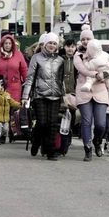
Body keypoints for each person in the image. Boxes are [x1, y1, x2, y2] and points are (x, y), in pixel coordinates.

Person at [22, 32, 66, 161]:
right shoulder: (37, 58)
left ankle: (50, 151)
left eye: (54, 43)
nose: (52, 45)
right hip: (39, 95)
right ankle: (36, 141)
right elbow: (30, 78)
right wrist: (25, 96)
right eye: (50, 43)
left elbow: (61, 79)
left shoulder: (60, 60)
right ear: (44, 44)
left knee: (52, 124)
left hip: (55, 96)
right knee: (42, 123)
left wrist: (64, 96)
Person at [74, 26, 109, 161]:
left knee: (101, 124)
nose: (85, 41)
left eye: (88, 38)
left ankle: (97, 141)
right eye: (83, 39)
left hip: (100, 91)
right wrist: (97, 74)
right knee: (86, 121)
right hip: (84, 91)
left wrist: (106, 74)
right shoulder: (77, 55)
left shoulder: (102, 54)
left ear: (93, 39)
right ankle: (87, 149)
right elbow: (83, 70)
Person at [0, 33, 28, 103]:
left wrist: (27, 84)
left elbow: (24, 70)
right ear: (2, 44)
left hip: (15, 87)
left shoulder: (18, 54)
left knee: (14, 109)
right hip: (0, 87)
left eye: (9, 43)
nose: (8, 45)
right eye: (6, 43)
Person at [58, 37, 78, 153]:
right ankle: (62, 141)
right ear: (64, 47)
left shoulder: (78, 59)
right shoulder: (60, 59)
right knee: (62, 117)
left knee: (72, 116)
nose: (70, 49)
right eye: (68, 46)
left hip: (74, 93)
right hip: (62, 93)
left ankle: (68, 135)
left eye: (72, 46)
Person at [0, 75, 21, 145]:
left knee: (5, 129)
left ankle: (3, 137)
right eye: (1, 86)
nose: (2, 88)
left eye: (3, 87)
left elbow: (12, 102)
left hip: (5, 117)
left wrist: (20, 105)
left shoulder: (7, 95)